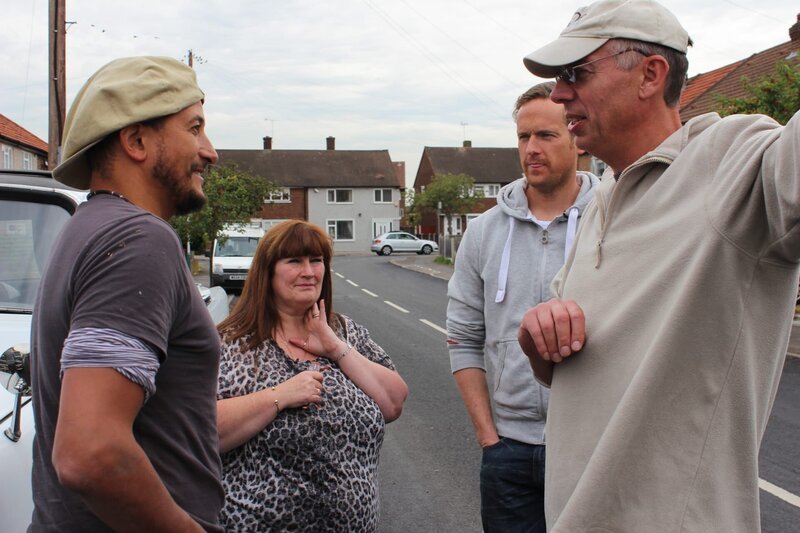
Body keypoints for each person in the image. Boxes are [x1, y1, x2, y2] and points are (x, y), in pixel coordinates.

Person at [517, 0, 800, 531]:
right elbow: (567, 366)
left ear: (651, 74)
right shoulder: (603, 195)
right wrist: (538, 339)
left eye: (576, 73)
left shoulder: (730, 158)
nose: (558, 94)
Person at [29, 56, 223, 531]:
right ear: (136, 141)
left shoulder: (87, 229)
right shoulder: (137, 240)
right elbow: (90, 452)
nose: (210, 151)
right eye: (194, 128)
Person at [446, 81, 598, 532]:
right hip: (508, 450)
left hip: (590, 447)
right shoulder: (484, 232)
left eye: (546, 136)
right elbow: (463, 339)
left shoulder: (613, 219)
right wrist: (488, 436)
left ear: (576, 138)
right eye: (523, 137)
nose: (532, 149)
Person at [216, 220, 408, 531]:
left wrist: (334, 346)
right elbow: (200, 432)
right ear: (268, 271)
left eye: (316, 260)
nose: (309, 272)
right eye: (294, 261)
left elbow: (394, 402)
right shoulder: (231, 343)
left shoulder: (347, 332)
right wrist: (279, 396)